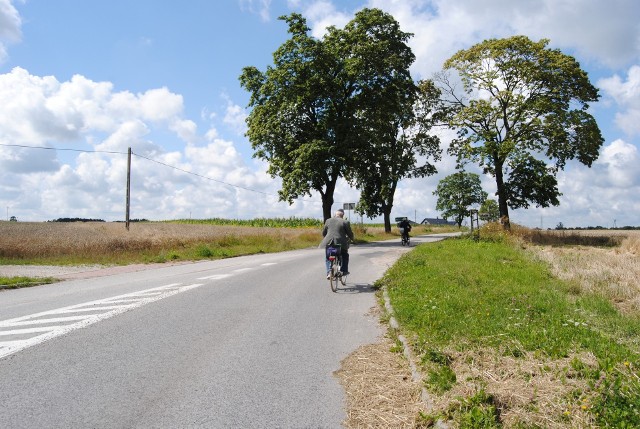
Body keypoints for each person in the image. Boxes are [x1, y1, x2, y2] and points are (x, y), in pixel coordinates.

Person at [319, 209, 354, 278]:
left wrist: (326, 238)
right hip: (340, 243)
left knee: (328, 257)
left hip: (329, 242)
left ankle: (329, 273)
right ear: (342, 216)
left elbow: (324, 233)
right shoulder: (345, 222)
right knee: (344, 255)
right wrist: (352, 239)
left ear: (335, 215)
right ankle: (343, 271)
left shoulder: (328, 221)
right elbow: (349, 233)